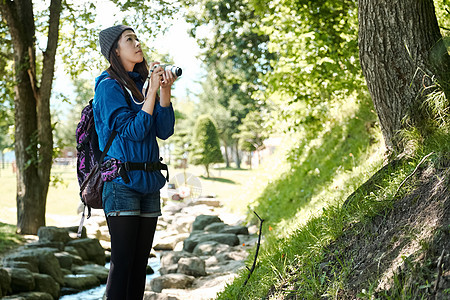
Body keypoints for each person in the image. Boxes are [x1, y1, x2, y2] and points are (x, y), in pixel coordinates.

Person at [94, 24, 176, 299]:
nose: (137, 43)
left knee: (140, 265)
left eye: (137, 38)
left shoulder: (139, 86)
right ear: (115, 51)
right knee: (123, 263)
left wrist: (164, 91)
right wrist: (151, 91)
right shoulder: (108, 88)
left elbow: (163, 130)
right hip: (121, 184)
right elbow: (134, 131)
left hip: (150, 182)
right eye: (129, 39)